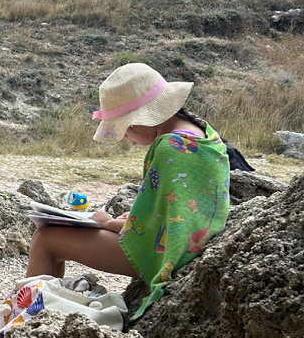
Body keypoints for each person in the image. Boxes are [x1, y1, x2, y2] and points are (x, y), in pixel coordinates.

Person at [26, 62, 230, 319]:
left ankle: (25, 322)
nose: (126, 136)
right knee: (49, 237)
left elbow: (159, 235)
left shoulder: (171, 148)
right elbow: (175, 213)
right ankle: (40, 317)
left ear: (144, 120)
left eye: (127, 128)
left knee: (45, 239)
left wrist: (109, 223)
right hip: (189, 247)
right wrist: (131, 218)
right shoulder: (199, 134)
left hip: (168, 258)